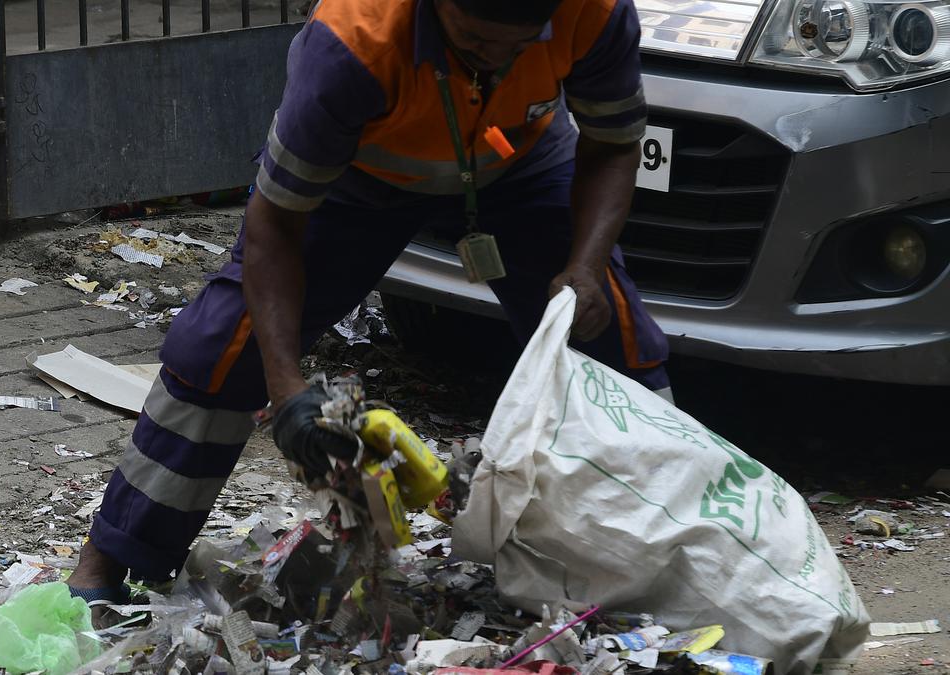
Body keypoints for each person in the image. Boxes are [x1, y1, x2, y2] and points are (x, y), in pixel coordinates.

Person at [67, 0, 670, 611]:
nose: (498, 61)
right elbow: (275, 223)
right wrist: (284, 390)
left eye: (519, 46)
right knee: (226, 345)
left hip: (520, 161)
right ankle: (110, 559)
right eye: (477, 41)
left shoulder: (595, 12)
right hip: (360, 179)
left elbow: (614, 145)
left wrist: (586, 267)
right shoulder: (352, 45)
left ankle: (669, 551)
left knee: (608, 328)